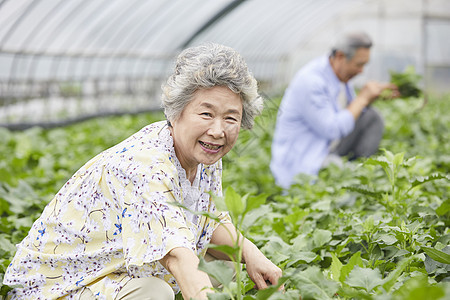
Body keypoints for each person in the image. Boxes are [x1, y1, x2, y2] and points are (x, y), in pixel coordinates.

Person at [3, 43, 282, 300]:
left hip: (114, 270)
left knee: (228, 265)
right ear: (176, 112)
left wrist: (252, 255)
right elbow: (177, 257)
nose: (218, 130)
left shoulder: (203, 153)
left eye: (230, 118)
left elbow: (207, 221)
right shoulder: (144, 166)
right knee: (153, 293)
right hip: (56, 287)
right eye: (206, 114)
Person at [270, 31, 399, 188]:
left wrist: (372, 98)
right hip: (304, 164)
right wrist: (362, 98)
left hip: (327, 148)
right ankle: (354, 177)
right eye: (359, 64)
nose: (361, 71)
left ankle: (361, 170)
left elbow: (353, 113)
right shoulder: (311, 81)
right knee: (352, 184)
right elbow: (332, 129)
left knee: (372, 117)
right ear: (340, 57)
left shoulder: (340, 77)